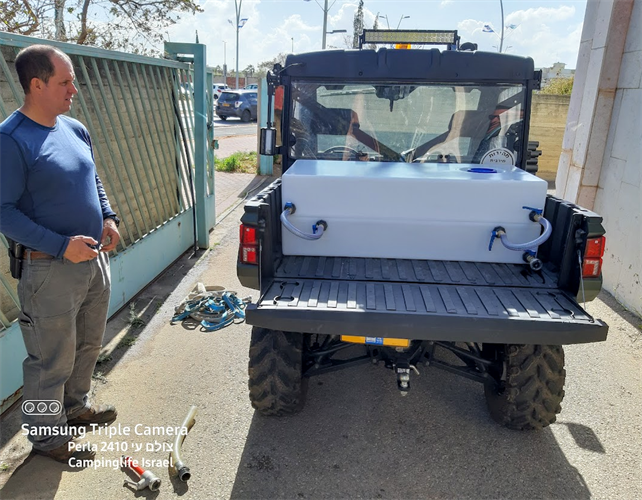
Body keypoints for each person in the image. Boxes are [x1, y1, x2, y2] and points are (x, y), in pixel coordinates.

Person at [0, 45, 121, 463]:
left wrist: (109, 217)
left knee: (88, 344)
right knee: (48, 360)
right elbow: (2, 212)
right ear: (37, 85)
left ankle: (75, 407)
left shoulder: (74, 128)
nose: (74, 88)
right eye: (65, 81)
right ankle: (47, 439)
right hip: (49, 269)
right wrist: (59, 246)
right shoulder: (11, 140)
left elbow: (94, 177)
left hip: (92, 261)